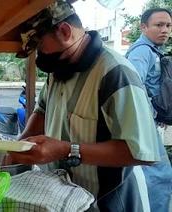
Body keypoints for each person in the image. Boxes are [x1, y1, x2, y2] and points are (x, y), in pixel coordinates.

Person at [9, 0, 172, 211]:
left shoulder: (115, 73)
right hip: (63, 196)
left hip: (108, 200)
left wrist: (66, 150)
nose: (40, 56)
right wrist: (14, 150)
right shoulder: (59, 69)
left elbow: (141, 152)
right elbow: (42, 111)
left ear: (65, 31)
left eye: (40, 46)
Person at [126, 8, 172, 160]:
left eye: (168, 25)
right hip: (143, 123)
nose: (165, 30)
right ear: (143, 27)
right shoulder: (142, 52)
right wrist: (152, 113)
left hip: (149, 120)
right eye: (159, 25)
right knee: (157, 173)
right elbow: (133, 88)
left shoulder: (153, 50)